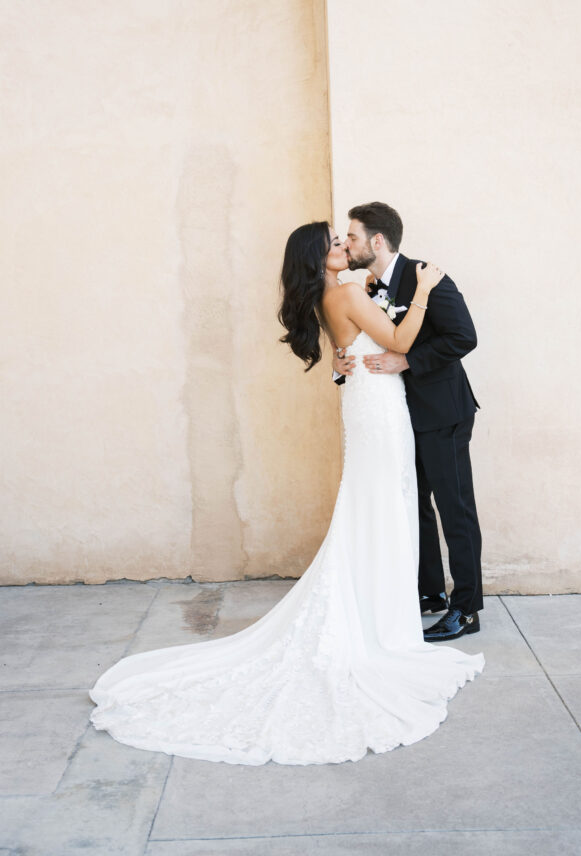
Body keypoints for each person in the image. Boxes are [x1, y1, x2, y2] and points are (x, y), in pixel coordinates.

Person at [89, 221, 483, 766]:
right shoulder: (351, 289)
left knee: (389, 503)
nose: (345, 244)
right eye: (336, 241)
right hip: (380, 407)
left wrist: (353, 358)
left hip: (389, 406)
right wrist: (418, 298)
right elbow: (394, 341)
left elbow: (395, 342)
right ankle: (387, 608)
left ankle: (419, 600)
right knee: (385, 502)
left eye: (348, 237)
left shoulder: (342, 291)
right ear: (323, 257)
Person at [333, 202, 482, 642]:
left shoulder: (427, 277)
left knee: (455, 510)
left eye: (354, 236)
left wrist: (406, 361)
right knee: (413, 505)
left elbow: (463, 337)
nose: (349, 243)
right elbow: (361, 341)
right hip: (398, 417)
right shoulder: (367, 284)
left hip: (443, 414)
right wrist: (344, 363)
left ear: (377, 241)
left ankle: (467, 609)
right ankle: (430, 592)